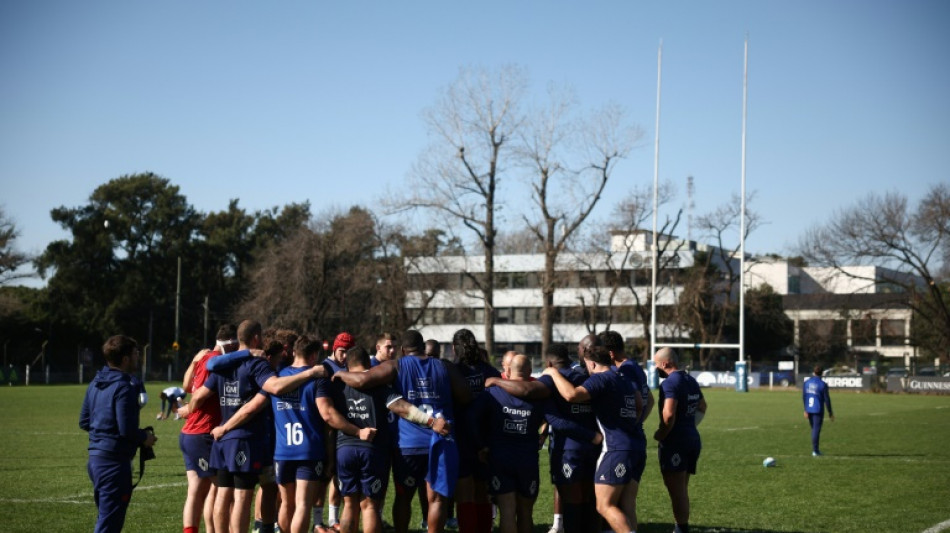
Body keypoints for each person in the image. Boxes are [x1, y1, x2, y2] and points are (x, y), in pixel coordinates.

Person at [179, 320, 326, 533]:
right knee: (241, 497)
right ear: (256, 338)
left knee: (222, 493)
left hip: (222, 440)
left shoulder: (223, 364)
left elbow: (199, 394)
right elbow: (269, 391)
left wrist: (189, 413)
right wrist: (310, 373)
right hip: (243, 439)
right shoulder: (257, 364)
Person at [332, 329, 472, 533]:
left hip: (408, 444)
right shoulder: (444, 366)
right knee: (436, 499)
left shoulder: (396, 365)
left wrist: (340, 373)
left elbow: (362, 380)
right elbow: (466, 396)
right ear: (423, 347)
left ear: (404, 350)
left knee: (403, 496)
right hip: (440, 439)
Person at [543, 345, 643, 533]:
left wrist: (553, 373)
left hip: (615, 448)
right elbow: (639, 404)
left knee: (604, 506)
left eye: (587, 365)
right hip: (636, 446)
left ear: (594, 363)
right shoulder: (623, 378)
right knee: (627, 505)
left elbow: (572, 395)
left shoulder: (600, 378)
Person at [79, 335, 158, 533]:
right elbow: (126, 430)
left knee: (106, 519)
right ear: (125, 359)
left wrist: (104, 434)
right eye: (135, 353)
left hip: (95, 460)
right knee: (108, 525)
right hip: (114, 465)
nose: (138, 357)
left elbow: (84, 422)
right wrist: (144, 438)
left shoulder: (95, 383)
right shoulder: (124, 387)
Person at [471, 353, 546, 533]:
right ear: (529, 371)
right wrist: (543, 435)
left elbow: (472, 419)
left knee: (507, 512)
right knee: (526, 512)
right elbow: (554, 418)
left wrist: (481, 445)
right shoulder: (539, 394)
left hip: (500, 459)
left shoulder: (492, 393)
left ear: (508, 370)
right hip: (527, 460)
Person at [179, 324, 239, 533]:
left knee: (198, 490)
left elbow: (186, 386)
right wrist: (188, 408)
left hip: (191, 434)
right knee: (225, 491)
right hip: (202, 433)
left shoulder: (203, 358)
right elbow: (196, 394)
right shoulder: (215, 362)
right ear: (230, 343)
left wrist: (194, 360)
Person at [652, 347, 706, 533]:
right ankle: (680, 527)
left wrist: (662, 433)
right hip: (692, 438)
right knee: (681, 487)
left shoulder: (669, 383)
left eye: (656, 364)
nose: (655, 368)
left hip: (675, 442)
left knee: (677, 491)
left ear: (665, 363)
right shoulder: (690, 380)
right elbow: (703, 406)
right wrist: (690, 426)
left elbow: (668, 415)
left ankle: (680, 529)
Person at [452, 329, 501, 533]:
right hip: (488, 439)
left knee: (464, 493)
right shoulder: (490, 372)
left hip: (461, 439)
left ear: (455, 348)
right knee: (483, 492)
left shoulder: (452, 371)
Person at [803, 365, 834, 456]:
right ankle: (815, 451)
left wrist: (805, 409)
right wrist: (830, 412)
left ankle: (815, 450)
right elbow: (827, 400)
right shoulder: (822, 384)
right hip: (818, 410)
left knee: (814, 429)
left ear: (814, 372)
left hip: (809, 408)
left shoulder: (807, 383)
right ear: (822, 373)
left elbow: (804, 397)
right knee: (816, 430)